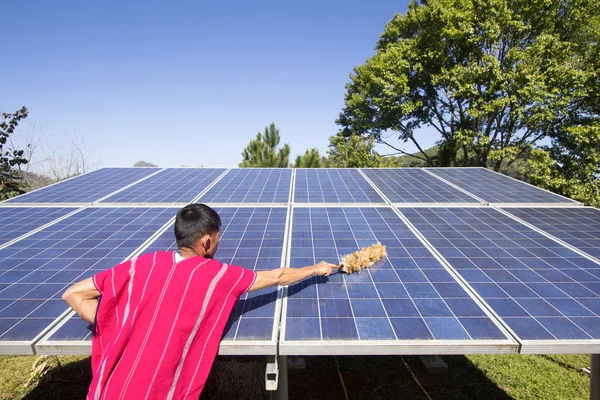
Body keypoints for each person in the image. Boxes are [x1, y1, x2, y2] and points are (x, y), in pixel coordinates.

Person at [62, 203, 334, 400]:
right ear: (205, 242)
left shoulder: (142, 264)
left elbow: (72, 294)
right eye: (216, 240)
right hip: (159, 391)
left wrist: (118, 324)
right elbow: (279, 276)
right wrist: (315, 268)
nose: (217, 245)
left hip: (108, 390)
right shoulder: (218, 276)